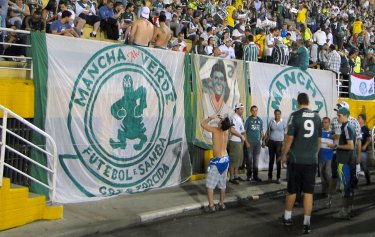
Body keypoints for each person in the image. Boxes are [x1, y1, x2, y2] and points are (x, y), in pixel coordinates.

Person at [279, 92, 321, 234]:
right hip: (311, 160)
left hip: (297, 160)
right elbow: (319, 140)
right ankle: (307, 223)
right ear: (308, 102)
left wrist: (284, 154)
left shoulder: (295, 116)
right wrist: (315, 153)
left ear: (298, 102)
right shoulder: (317, 117)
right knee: (308, 192)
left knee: (292, 190)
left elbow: (289, 139)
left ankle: (287, 218)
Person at [327, 107, 356, 219]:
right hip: (348, 161)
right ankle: (349, 209)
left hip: (345, 162)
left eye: (339, 115)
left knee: (345, 188)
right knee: (349, 187)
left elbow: (351, 146)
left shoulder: (347, 127)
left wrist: (336, 146)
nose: (337, 117)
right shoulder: (347, 127)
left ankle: (345, 211)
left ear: (345, 115)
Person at [201, 114, 232, 213]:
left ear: (221, 123)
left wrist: (211, 117)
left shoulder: (216, 130)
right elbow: (226, 125)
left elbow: (203, 124)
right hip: (226, 160)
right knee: (222, 184)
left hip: (218, 161)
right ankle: (221, 203)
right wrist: (223, 120)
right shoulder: (226, 131)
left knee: (210, 185)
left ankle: (211, 206)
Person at [265, 109, 286, 184]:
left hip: (279, 143)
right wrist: (264, 140)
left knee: (278, 160)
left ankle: (278, 177)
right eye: (276, 114)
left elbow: (286, 134)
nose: (277, 116)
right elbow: (268, 131)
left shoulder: (283, 122)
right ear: (274, 114)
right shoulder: (271, 121)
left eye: (278, 114)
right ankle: (269, 177)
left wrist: (284, 143)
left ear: (280, 114)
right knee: (271, 160)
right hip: (271, 142)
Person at [244, 105, 263, 182]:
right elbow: (244, 132)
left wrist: (263, 140)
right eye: (253, 110)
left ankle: (255, 176)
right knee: (249, 160)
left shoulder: (260, 120)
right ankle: (249, 176)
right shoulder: (248, 120)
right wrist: (246, 142)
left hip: (257, 144)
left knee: (256, 160)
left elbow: (261, 131)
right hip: (250, 143)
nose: (255, 112)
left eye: (256, 110)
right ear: (251, 111)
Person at [228, 103, 246, 184]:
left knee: (238, 160)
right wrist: (241, 136)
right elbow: (232, 130)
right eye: (241, 109)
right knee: (233, 160)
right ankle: (231, 177)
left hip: (239, 142)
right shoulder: (233, 117)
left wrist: (243, 137)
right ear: (237, 109)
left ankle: (236, 176)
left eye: (242, 109)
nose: (242, 111)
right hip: (234, 141)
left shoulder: (239, 118)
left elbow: (242, 130)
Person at [318, 117, 334, 198]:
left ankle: (330, 190)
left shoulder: (332, 133)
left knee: (328, 174)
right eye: (323, 122)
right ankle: (324, 191)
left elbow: (336, 145)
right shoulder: (319, 132)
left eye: (326, 122)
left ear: (329, 123)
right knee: (322, 175)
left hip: (329, 157)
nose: (324, 124)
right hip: (320, 157)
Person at [357, 114, 371, 185]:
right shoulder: (356, 128)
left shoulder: (366, 129)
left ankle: (368, 180)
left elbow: (369, 139)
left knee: (364, 166)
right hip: (356, 150)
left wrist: (365, 145)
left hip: (363, 151)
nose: (357, 119)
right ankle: (354, 182)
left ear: (363, 120)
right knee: (356, 166)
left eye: (359, 118)